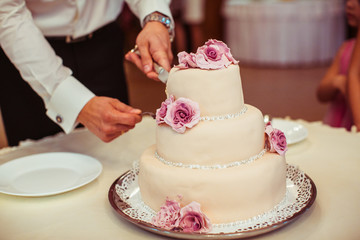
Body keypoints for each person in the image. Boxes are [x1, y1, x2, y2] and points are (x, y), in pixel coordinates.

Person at [0, 0, 174, 146]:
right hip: (29, 55)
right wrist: (71, 99)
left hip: (105, 45)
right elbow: (7, 12)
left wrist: (155, 18)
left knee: (115, 152)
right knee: (40, 164)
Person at [316, 0, 360, 131]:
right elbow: (321, 94)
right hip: (342, 126)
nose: (349, 4)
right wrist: (337, 81)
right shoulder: (346, 48)